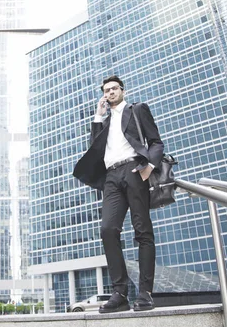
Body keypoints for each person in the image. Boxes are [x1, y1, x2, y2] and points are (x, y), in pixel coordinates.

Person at [73, 75, 164, 313]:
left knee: (142, 229)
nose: (110, 92)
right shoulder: (103, 122)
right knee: (107, 229)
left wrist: (149, 166)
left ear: (123, 90)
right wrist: (98, 116)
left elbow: (156, 142)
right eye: (106, 90)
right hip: (111, 177)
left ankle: (145, 292)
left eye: (114, 88)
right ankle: (120, 293)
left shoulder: (137, 110)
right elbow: (95, 149)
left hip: (134, 170)